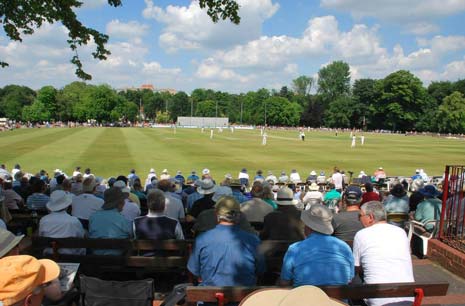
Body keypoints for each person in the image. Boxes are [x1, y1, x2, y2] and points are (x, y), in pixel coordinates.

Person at [187, 196, 264, 286]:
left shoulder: (203, 239)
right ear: (239, 215)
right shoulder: (252, 240)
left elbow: (194, 270)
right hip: (245, 295)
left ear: (217, 214)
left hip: (209, 294)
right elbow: (260, 269)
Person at [353, 201, 414, 306]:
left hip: (377, 298)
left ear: (370, 217)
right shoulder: (400, 232)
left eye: (360, 215)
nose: (359, 219)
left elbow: (356, 267)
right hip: (408, 297)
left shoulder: (361, 235)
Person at [280, 204, 354, 287]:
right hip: (338, 299)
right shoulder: (344, 247)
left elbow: (284, 282)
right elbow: (350, 279)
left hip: (305, 299)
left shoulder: (295, 249)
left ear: (308, 227)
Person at [39, 190, 85, 255]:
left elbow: (41, 237)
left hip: (49, 257)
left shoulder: (44, 220)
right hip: (72, 258)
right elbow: (81, 238)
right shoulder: (74, 221)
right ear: (66, 205)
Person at [88, 187, 133, 254]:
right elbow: (132, 235)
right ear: (119, 203)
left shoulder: (93, 217)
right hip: (117, 260)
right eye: (123, 200)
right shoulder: (123, 220)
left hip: (96, 257)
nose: (124, 203)